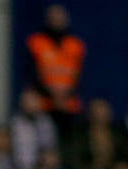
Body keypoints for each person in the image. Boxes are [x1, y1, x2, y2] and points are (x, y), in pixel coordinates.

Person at [25, 4, 85, 137]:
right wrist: (51, 95)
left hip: (69, 105)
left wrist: (64, 97)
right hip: (43, 104)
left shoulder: (75, 44)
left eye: (60, 18)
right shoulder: (36, 42)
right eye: (53, 18)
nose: (57, 21)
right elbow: (31, 73)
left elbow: (79, 75)